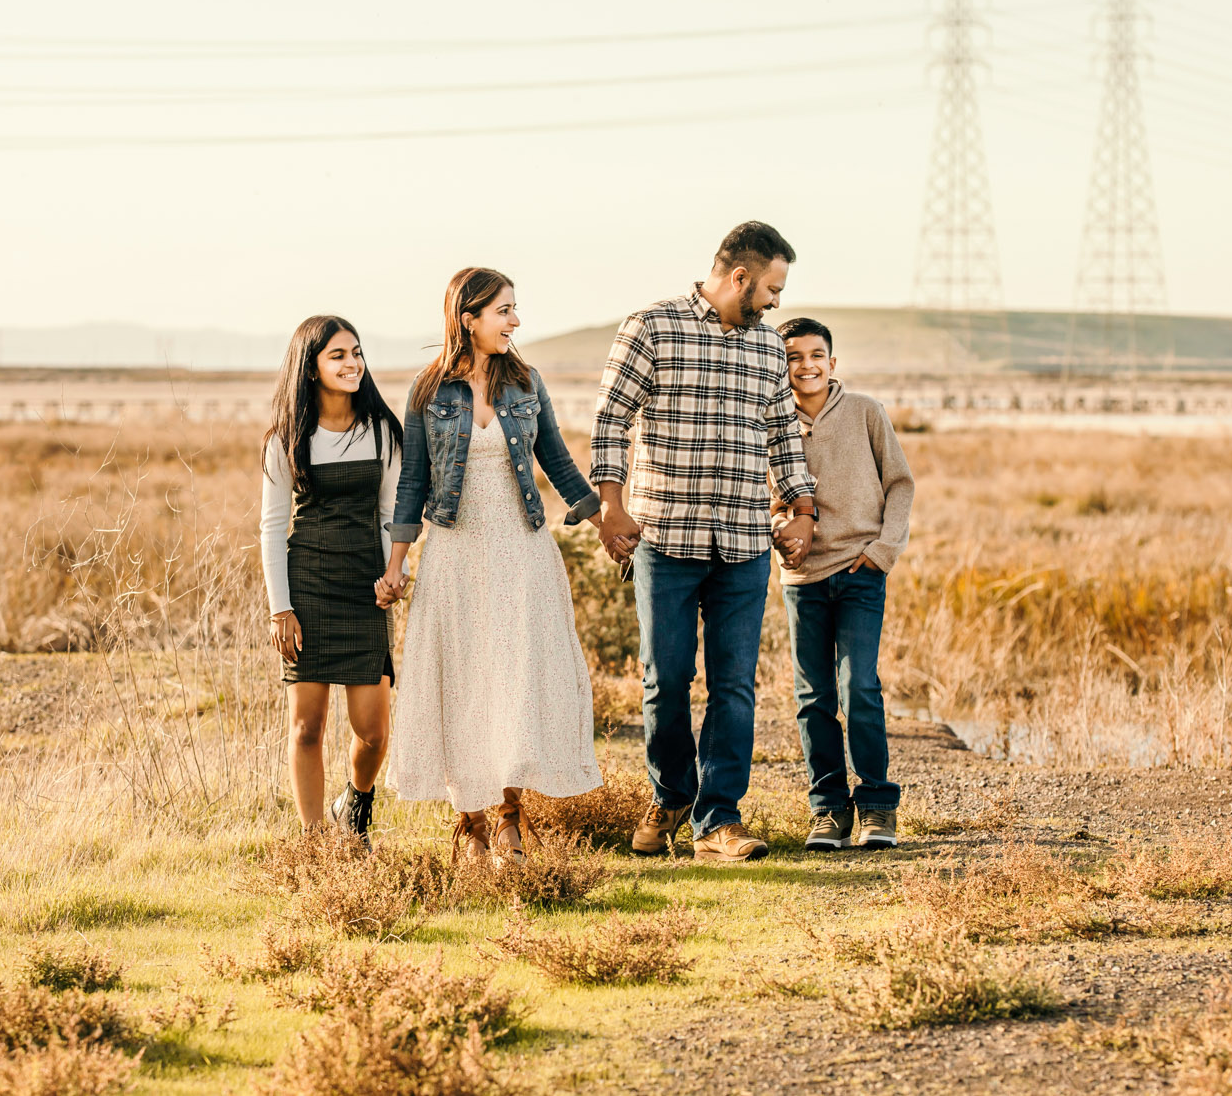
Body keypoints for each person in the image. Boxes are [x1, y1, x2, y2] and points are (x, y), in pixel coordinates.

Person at [592, 221, 818, 863]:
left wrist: (802, 508)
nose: (776, 301)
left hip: (745, 540)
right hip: (665, 537)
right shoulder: (652, 327)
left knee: (735, 686)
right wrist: (610, 506)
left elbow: (782, 438)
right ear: (740, 277)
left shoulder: (769, 350)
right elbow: (610, 419)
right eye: (771, 287)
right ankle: (669, 800)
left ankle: (719, 821)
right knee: (665, 681)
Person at [377, 267, 603, 865]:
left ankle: (508, 815)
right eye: (504, 310)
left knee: (513, 680)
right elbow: (413, 483)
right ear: (468, 317)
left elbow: (555, 457)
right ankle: (469, 821)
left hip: (519, 550)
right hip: (455, 551)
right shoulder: (428, 392)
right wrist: (396, 564)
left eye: (514, 310)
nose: (516, 321)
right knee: (462, 680)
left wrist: (603, 519)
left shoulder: (526, 382)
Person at [259, 316, 405, 845]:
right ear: (311, 367)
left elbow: (393, 513)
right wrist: (282, 608)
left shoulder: (382, 430)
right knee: (307, 727)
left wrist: (395, 571)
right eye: (338, 355)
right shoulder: (287, 438)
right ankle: (315, 842)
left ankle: (357, 804)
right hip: (309, 590)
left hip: (366, 592)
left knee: (373, 732)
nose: (352, 364)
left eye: (357, 353)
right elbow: (273, 529)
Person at [770, 317, 913, 850]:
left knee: (860, 688)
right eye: (793, 357)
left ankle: (877, 805)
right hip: (802, 576)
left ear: (833, 362)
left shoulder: (865, 412)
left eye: (815, 355)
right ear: (779, 365)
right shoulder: (767, 421)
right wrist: (777, 528)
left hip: (860, 571)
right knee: (813, 696)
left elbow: (900, 484)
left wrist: (883, 551)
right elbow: (763, 497)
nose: (805, 366)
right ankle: (828, 811)